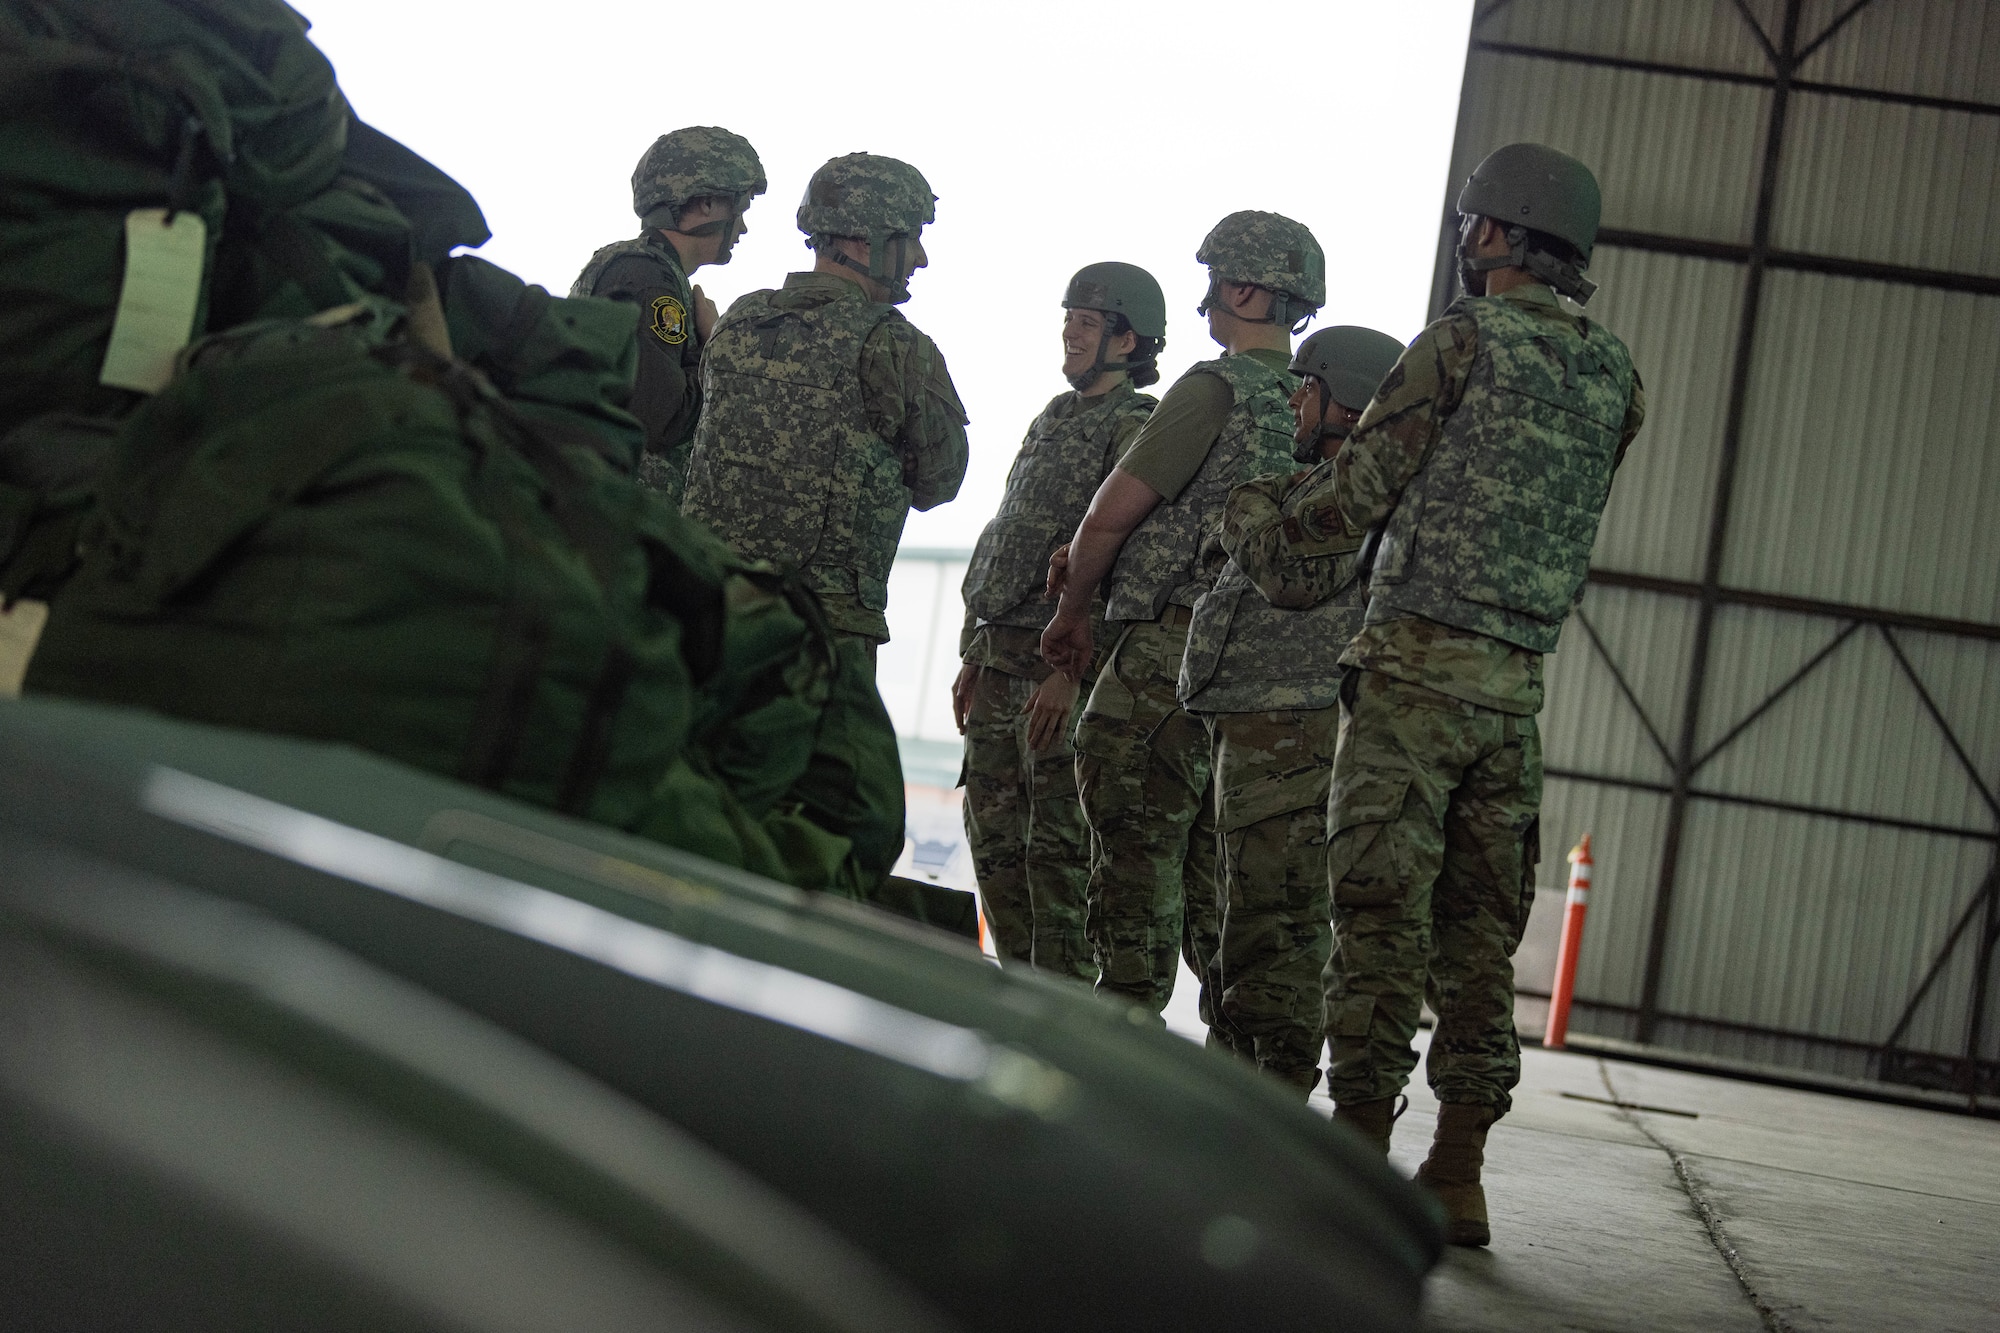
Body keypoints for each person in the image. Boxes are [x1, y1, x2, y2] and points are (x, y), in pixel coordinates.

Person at [1234, 143, 1644, 1246]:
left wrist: (1261, 514)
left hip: (1412, 677)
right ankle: (1456, 1170)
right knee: (1476, 939)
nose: (1466, 241)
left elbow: (1357, 494)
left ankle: (1355, 1158)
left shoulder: (1456, 343)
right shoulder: (1613, 377)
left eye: (1475, 224)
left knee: (1375, 919)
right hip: (1512, 696)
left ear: (1499, 235)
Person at [1041, 211, 1322, 1020]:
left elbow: (1109, 517)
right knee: (1215, 888)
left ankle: (1120, 1049)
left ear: (1241, 288)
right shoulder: (1312, 403)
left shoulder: (1215, 387)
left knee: (1132, 863)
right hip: (1253, 678)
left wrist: (1073, 610)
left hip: (1165, 659)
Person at [1177, 324, 1403, 1096]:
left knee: (1274, 941)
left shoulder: (1354, 494)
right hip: (1260, 736)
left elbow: (1283, 570)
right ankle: (1230, 1101)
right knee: (1241, 936)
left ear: (1345, 400)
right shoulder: (1315, 488)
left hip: (1293, 741)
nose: (1295, 405)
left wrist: (1248, 505)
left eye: (1306, 388)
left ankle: (1262, 1111)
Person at [953, 263, 1166, 979]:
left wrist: (1068, 673)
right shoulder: (1054, 415)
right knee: (995, 843)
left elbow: (1123, 560)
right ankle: (1018, 1000)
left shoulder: (1135, 424)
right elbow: (1011, 532)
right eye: (1067, 317)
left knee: (1057, 857)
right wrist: (973, 650)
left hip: (1055, 672)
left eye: (1086, 321)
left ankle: (1063, 1015)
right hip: (999, 660)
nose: (1069, 333)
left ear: (1126, 339)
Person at [681, 152, 968, 668]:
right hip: (820, 631)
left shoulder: (739, 320)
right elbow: (940, 481)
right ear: (866, 239)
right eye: (911, 238)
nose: (920, 259)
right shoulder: (896, 344)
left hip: (705, 607)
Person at [570, 126, 765, 503]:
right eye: (740, 207)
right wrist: (714, 348)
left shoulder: (642, 270)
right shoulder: (646, 277)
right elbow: (662, 417)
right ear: (706, 203)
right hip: (622, 515)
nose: (742, 226)